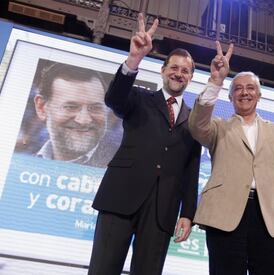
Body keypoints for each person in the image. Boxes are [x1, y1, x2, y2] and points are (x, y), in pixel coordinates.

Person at [88, 13, 201, 275]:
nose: (178, 73)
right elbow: (114, 99)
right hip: (120, 198)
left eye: (185, 70)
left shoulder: (195, 120)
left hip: (162, 210)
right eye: (174, 67)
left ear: (191, 78)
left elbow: (191, 169)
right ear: (163, 71)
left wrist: (188, 213)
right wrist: (134, 59)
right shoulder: (138, 98)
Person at [189, 41, 274, 275]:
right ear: (230, 97)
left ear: (258, 95)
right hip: (225, 216)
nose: (244, 92)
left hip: (269, 218)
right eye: (238, 88)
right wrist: (216, 81)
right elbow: (196, 125)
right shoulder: (218, 128)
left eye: (250, 88)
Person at [34, 62, 112, 168]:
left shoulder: (123, 166)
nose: (84, 120)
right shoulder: (25, 165)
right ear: (42, 108)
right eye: (70, 107)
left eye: (95, 108)